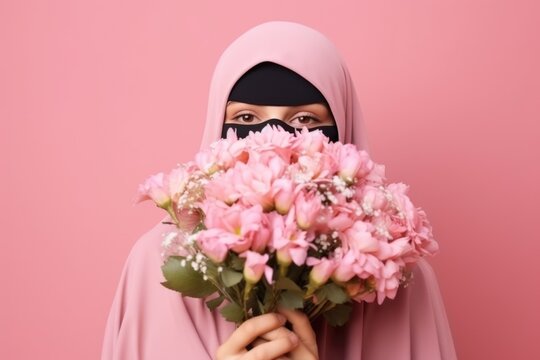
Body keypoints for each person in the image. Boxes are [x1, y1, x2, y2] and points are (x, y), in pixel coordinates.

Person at [101, 21, 457, 360]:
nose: (273, 141)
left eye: (304, 120)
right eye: (245, 119)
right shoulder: (156, 264)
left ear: (343, 130)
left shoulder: (397, 275)